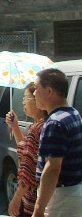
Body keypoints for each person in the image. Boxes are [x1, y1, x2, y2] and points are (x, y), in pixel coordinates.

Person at [32, 68, 82, 217]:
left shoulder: (55, 122)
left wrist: (39, 208)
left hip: (60, 198)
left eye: (36, 88)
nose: (34, 94)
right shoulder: (73, 113)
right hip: (72, 192)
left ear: (49, 91)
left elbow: (53, 168)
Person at [5, 83, 47, 217]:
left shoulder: (39, 128)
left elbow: (28, 169)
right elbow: (25, 149)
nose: (23, 102)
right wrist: (15, 126)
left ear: (38, 100)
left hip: (36, 200)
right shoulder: (37, 125)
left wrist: (16, 198)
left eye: (27, 98)